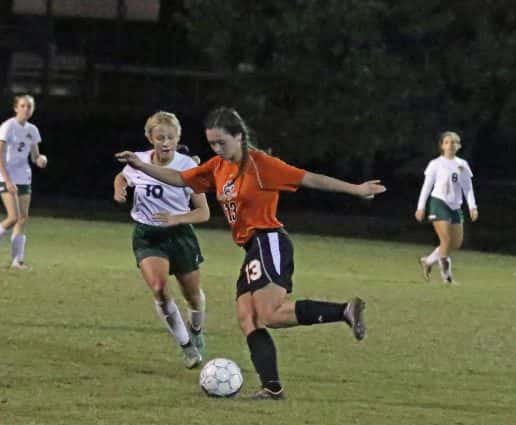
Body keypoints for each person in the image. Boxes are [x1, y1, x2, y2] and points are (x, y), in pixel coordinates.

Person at [116, 107, 386, 400]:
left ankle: (344, 310)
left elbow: (311, 178)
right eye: (212, 144)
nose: (217, 149)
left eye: (222, 143)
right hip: (251, 247)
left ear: (239, 137)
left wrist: (356, 189)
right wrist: (140, 166)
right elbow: (180, 178)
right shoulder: (218, 167)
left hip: (268, 240)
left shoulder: (261, 165)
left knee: (268, 313)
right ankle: (272, 388)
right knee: (248, 318)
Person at [113, 111, 210, 369]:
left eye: (170, 137)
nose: (165, 143)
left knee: (193, 297)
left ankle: (197, 330)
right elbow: (123, 175)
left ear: (178, 138)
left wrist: (176, 218)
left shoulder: (188, 166)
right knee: (159, 287)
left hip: (180, 235)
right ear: (150, 138)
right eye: (160, 137)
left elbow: (204, 212)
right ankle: (186, 346)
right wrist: (119, 186)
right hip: (147, 235)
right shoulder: (139, 160)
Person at [0, 94, 48, 269]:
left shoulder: (32, 129)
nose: (26, 109)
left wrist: (41, 159)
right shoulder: (7, 127)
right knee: (13, 217)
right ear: (16, 108)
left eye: (29, 106)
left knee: (22, 218)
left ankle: (17, 261)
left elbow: (35, 156)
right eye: (23, 106)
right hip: (5, 175)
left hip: (23, 177)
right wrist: (7, 180)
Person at [415, 131, 478, 284]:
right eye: (447, 142)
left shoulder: (462, 165)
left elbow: (467, 187)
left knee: (455, 243)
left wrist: (472, 206)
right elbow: (427, 186)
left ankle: (428, 261)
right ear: (442, 145)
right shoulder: (435, 164)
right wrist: (420, 207)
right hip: (438, 203)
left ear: (459, 146)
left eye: (454, 142)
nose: (450, 145)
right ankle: (447, 277)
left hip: (455, 206)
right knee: (446, 239)